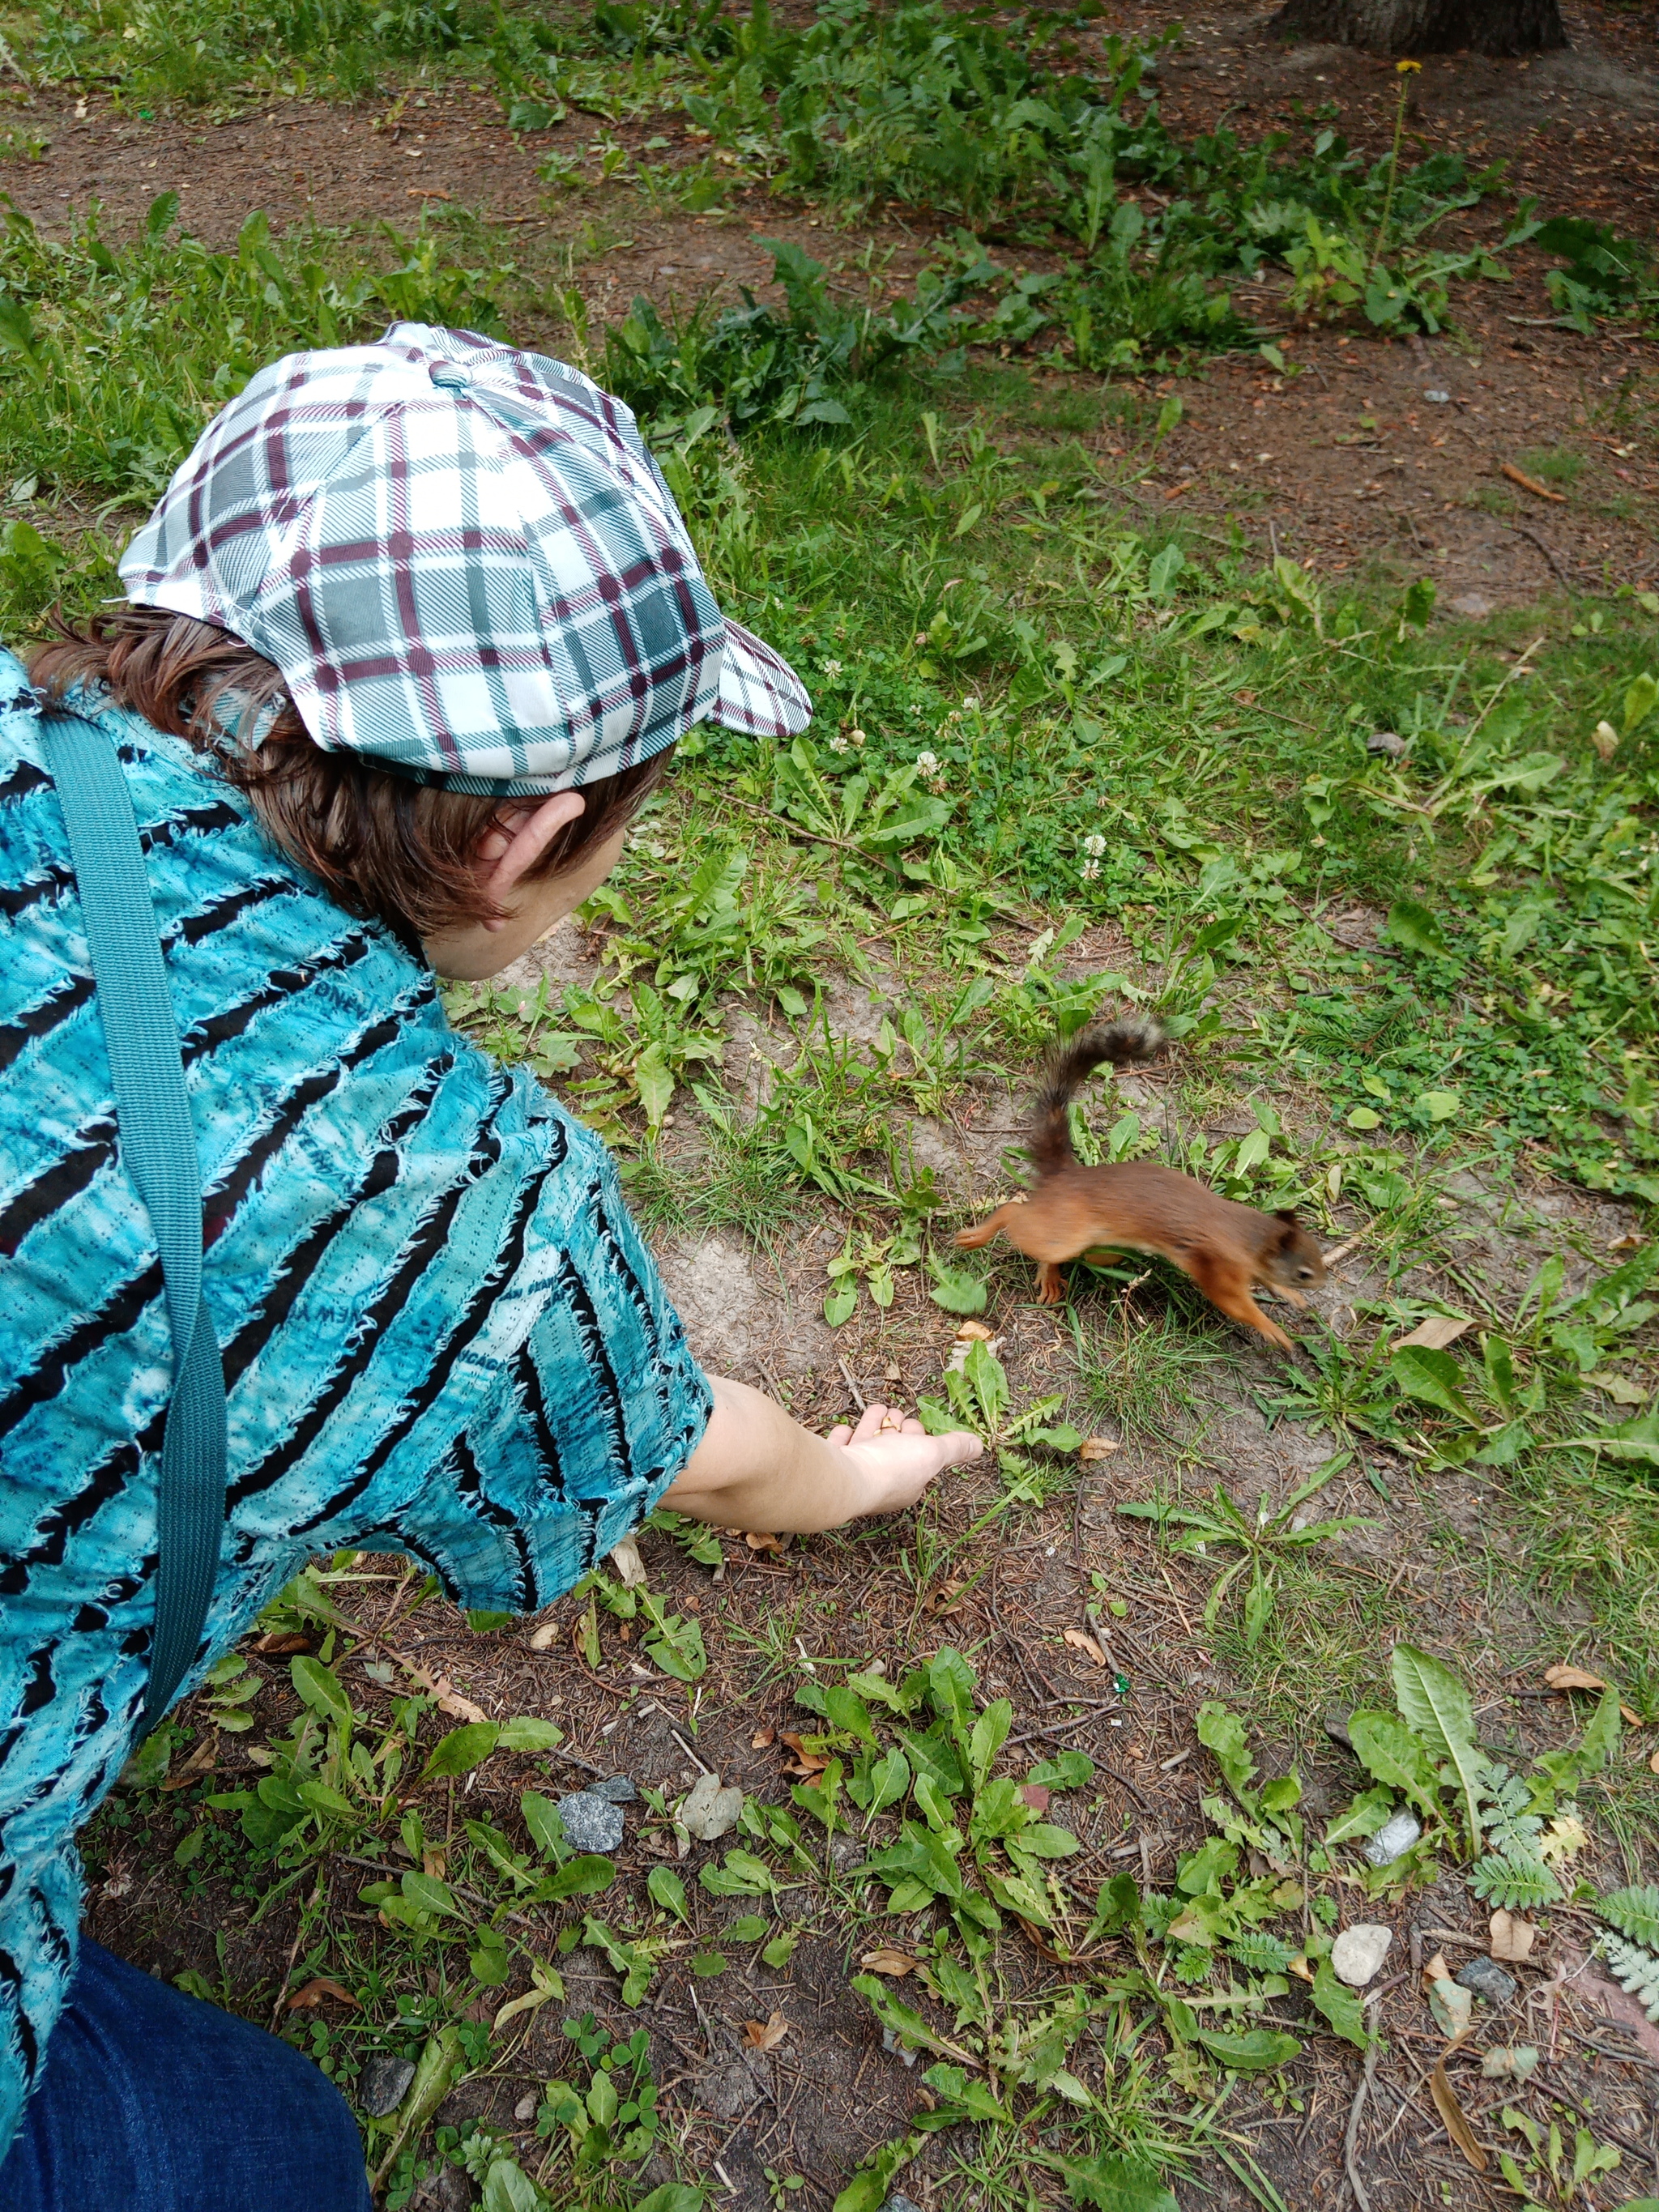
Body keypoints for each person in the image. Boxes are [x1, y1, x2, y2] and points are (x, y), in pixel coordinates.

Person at [0, 322, 981, 2211]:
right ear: (531, 830)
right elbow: (691, 1445)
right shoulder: (452, 1202)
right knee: (271, 2156)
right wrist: (866, 1472)